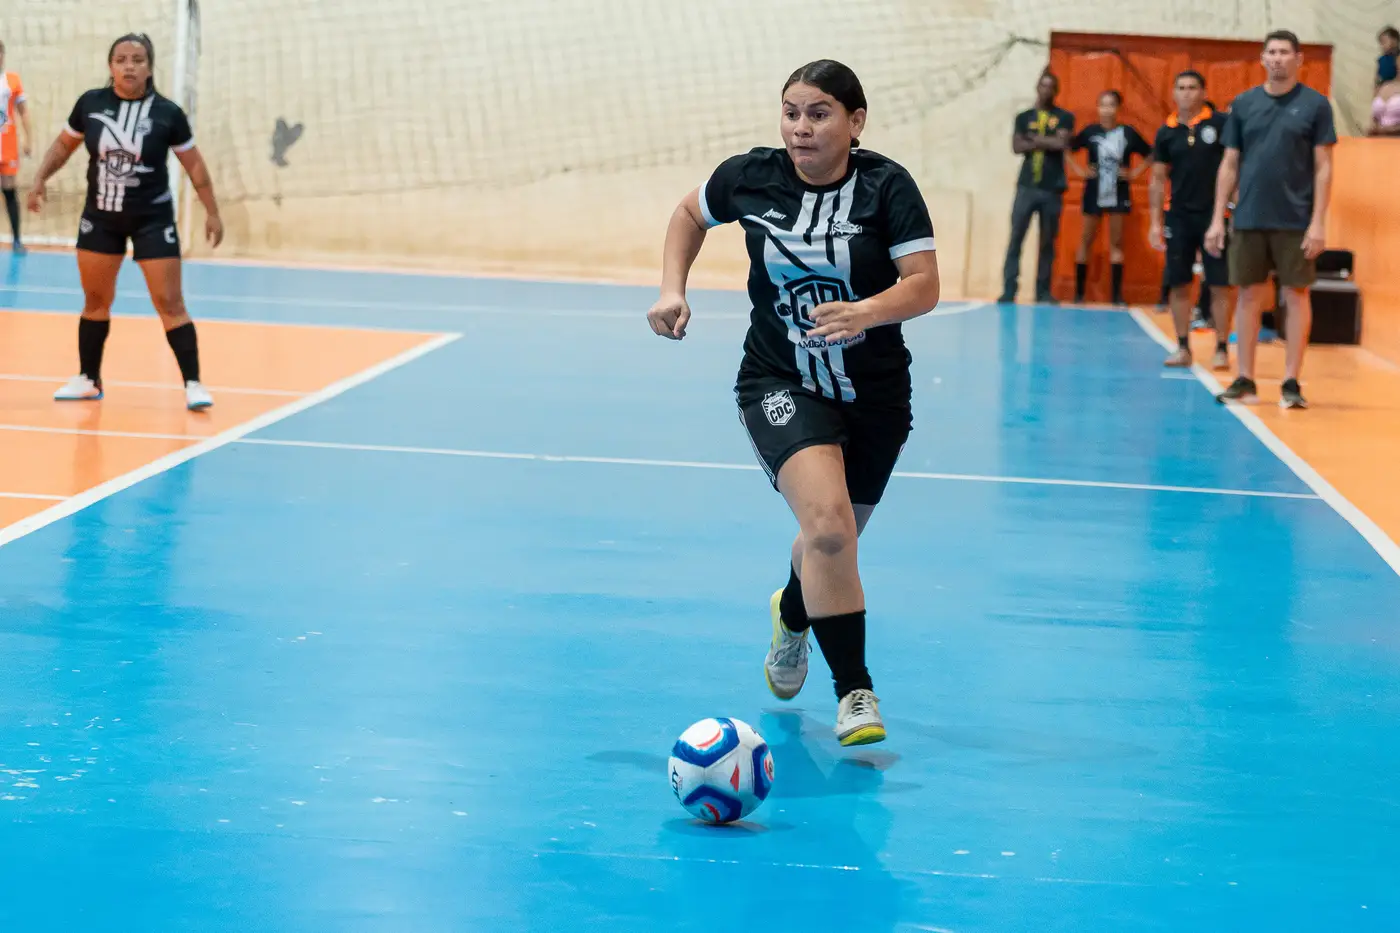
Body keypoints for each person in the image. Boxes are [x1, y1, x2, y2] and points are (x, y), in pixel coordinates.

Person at [645, 60, 940, 746]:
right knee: (829, 527)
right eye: (792, 112)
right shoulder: (752, 177)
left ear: (855, 122)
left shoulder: (887, 187)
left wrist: (865, 311)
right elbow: (689, 213)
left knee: (830, 541)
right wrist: (672, 288)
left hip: (874, 394)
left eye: (819, 113)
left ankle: (793, 612)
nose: (801, 127)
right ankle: (855, 692)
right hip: (780, 380)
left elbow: (923, 285)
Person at [27, 33, 223, 411]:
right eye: (121, 60)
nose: (129, 66)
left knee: (170, 302)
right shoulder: (90, 104)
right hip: (100, 219)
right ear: (110, 66)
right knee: (95, 300)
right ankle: (88, 379)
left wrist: (212, 211)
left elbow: (194, 165)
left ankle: (193, 383)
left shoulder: (168, 113)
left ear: (149, 68)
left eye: (137, 60)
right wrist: (39, 179)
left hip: (153, 219)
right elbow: (63, 145)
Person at [1206, 30, 1335, 409]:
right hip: (1249, 216)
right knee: (1248, 294)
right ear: (1263, 58)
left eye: (1284, 52)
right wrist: (1217, 219)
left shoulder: (1316, 105)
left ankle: (1291, 382)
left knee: (1295, 294)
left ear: (1299, 59)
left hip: (1296, 219)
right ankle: (1245, 378)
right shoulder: (1244, 104)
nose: (1277, 58)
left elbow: (1324, 167)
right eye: (1272, 52)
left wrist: (1319, 221)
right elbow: (1229, 164)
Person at [1149, 71, 1232, 369]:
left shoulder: (1221, 124)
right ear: (1174, 93)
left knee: (1220, 283)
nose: (1186, 93)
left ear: (1203, 92)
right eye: (1181, 88)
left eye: (1192, 87)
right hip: (1179, 216)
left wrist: (1228, 211)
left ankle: (1221, 347)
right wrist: (1156, 223)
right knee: (1179, 282)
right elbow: (1158, 179)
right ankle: (1183, 346)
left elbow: (1233, 166)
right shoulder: (1166, 131)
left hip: (1215, 216)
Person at [1068, 90, 1152, 305]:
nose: (1106, 110)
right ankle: (1079, 294)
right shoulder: (1090, 131)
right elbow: (1067, 149)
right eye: (1103, 105)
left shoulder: (1128, 133)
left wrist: (1135, 173)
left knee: (1116, 242)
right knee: (1086, 240)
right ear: (1098, 108)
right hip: (1094, 190)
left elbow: (1151, 154)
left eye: (1111, 105)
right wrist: (1079, 171)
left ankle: (1116, 297)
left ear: (1118, 109)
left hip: (1118, 192)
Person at [998, 72, 1074, 305]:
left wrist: (1034, 139)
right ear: (1037, 87)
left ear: (1056, 90)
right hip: (1026, 187)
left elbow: (1062, 143)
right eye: (1043, 85)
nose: (1046, 90)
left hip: (1052, 189)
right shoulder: (1024, 117)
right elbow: (1017, 146)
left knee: (1048, 242)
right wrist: (1046, 141)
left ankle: (1042, 291)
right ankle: (1009, 289)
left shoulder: (1064, 117)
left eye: (1051, 86)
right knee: (1016, 238)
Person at [0, 40, 32, 253]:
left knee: (9, 191)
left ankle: (17, 239)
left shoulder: (12, 80)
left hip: (7, 145)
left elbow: (24, 111)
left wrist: (29, 139)